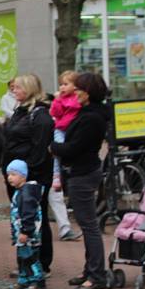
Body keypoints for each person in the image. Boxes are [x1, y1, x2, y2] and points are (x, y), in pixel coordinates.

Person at [51, 73, 108, 289]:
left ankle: (96, 275)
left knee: (89, 226)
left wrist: (54, 148)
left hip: (83, 173)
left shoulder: (92, 118)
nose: (75, 93)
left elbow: (74, 147)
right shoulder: (86, 113)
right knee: (86, 224)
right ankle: (90, 270)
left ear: (89, 92)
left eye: (79, 89)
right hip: (80, 172)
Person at [2, 74, 55, 275]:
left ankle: (40, 262)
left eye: (17, 88)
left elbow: (40, 150)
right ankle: (26, 262)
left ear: (29, 89)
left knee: (34, 218)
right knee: (22, 218)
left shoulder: (39, 115)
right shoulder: (21, 110)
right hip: (18, 175)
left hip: (32, 177)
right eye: (13, 88)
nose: (13, 91)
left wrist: (26, 175)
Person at [49, 71, 82, 242]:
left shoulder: (77, 101)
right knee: (57, 151)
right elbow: (55, 112)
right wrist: (57, 100)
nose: (62, 87)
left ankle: (65, 228)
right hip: (61, 130)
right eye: (61, 84)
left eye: (66, 84)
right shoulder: (61, 99)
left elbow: (73, 111)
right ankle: (64, 228)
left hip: (68, 131)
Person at [6, 160, 46, 289]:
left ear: (23, 176)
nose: (9, 178)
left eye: (13, 174)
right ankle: (24, 279)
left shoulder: (27, 193)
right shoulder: (20, 192)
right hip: (21, 235)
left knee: (31, 257)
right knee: (22, 258)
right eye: (8, 175)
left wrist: (25, 231)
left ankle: (38, 280)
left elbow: (28, 215)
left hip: (28, 235)